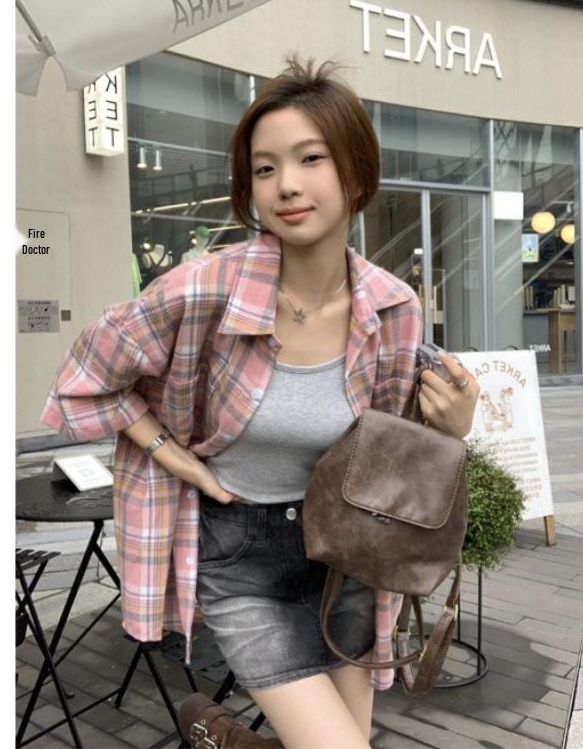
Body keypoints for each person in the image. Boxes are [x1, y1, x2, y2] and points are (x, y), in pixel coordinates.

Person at [40, 55, 479, 749]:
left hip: (347, 556)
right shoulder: (203, 290)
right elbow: (85, 377)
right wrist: (174, 456)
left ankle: (227, 738)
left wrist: (452, 429)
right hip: (240, 555)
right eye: (265, 168)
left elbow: (388, 452)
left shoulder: (394, 306)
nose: (287, 185)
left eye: (311, 158)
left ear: (356, 172)